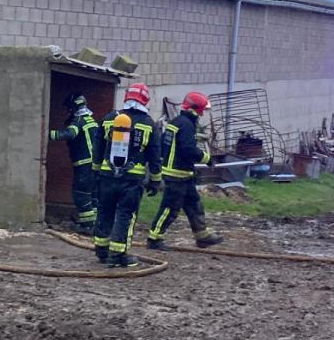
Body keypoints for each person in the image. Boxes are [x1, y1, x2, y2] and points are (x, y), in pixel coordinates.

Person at [92, 83, 162, 268]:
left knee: (105, 211)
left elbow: (98, 146)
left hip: (107, 177)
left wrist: (96, 170)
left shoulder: (109, 118)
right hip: (131, 180)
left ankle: (101, 250)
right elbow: (154, 155)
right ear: (145, 100)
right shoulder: (148, 124)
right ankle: (118, 254)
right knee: (126, 214)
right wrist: (155, 180)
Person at [146, 92, 224, 250]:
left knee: (194, 205)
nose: (202, 114)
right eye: (201, 110)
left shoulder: (176, 122)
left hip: (183, 175)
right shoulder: (187, 125)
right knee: (170, 209)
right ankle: (154, 238)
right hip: (177, 176)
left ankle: (202, 236)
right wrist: (207, 158)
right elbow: (188, 149)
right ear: (195, 109)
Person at [48, 92, 99, 234]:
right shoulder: (91, 120)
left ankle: (87, 226)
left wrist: (46, 133)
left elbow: (70, 134)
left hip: (84, 165)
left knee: (81, 194)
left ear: (73, 106)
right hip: (95, 165)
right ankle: (95, 224)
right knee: (93, 195)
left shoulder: (78, 121)